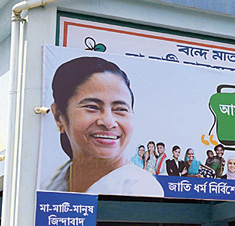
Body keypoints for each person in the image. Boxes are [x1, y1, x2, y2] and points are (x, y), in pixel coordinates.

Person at [44, 56, 163, 196]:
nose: (108, 122)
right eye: (92, 107)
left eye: (120, 109)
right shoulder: (51, 183)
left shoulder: (139, 189)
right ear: (59, 116)